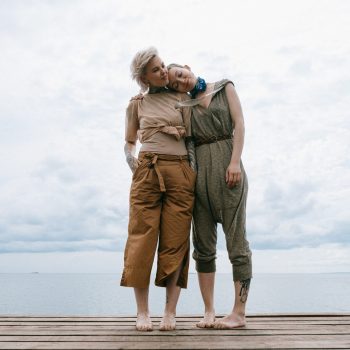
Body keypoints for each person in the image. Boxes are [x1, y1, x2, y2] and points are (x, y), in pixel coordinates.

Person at [167, 63, 252, 329]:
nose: (182, 81)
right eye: (175, 83)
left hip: (229, 174)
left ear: (187, 67)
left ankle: (239, 312)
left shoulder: (225, 87)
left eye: (181, 74)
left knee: (237, 245)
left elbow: (239, 124)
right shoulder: (184, 106)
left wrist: (235, 161)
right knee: (203, 249)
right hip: (198, 180)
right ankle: (209, 311)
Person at [120, 48, 196, 332]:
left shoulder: (183, 98)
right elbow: (129, 142)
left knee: (175, 241)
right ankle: (142, 312)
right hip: (148, 171)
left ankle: (170, 312)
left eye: (163, 65)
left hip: (180, 171)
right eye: (156, 70)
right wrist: (132, 163)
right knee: (141, 239)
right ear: (143, 78)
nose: (164, 71)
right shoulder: (136, 105)